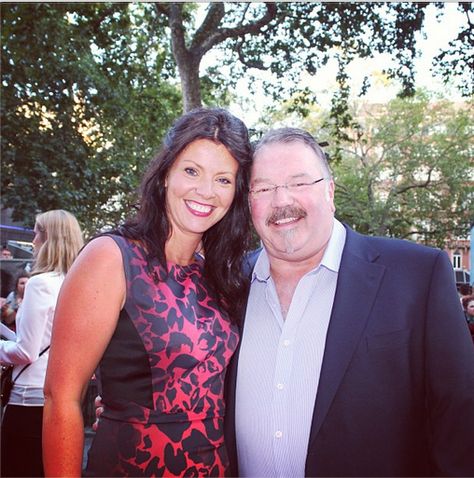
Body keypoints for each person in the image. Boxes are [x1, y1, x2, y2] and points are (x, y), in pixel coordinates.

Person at [224, 127, 474, 477]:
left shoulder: (417, 275)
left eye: (299, 183)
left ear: (329, 191)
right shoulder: (226, 284)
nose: (282, 201)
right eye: (264, 188)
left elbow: (460, 422)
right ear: (248, 202)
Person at [42, 108, 253, 477]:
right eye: (192, 171)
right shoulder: (112, 257)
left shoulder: (222, 274)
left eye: (223, 179)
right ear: (166, 174)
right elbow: (61, 399)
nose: (206, 191)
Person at [0, 209, 83, 477]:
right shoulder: (77, 283)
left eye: (37, 232)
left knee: (18, 468)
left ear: (49, 239)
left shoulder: (40, 283)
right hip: (64, 397)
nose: (33, 239)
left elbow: (26, 351)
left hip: (28, 398)